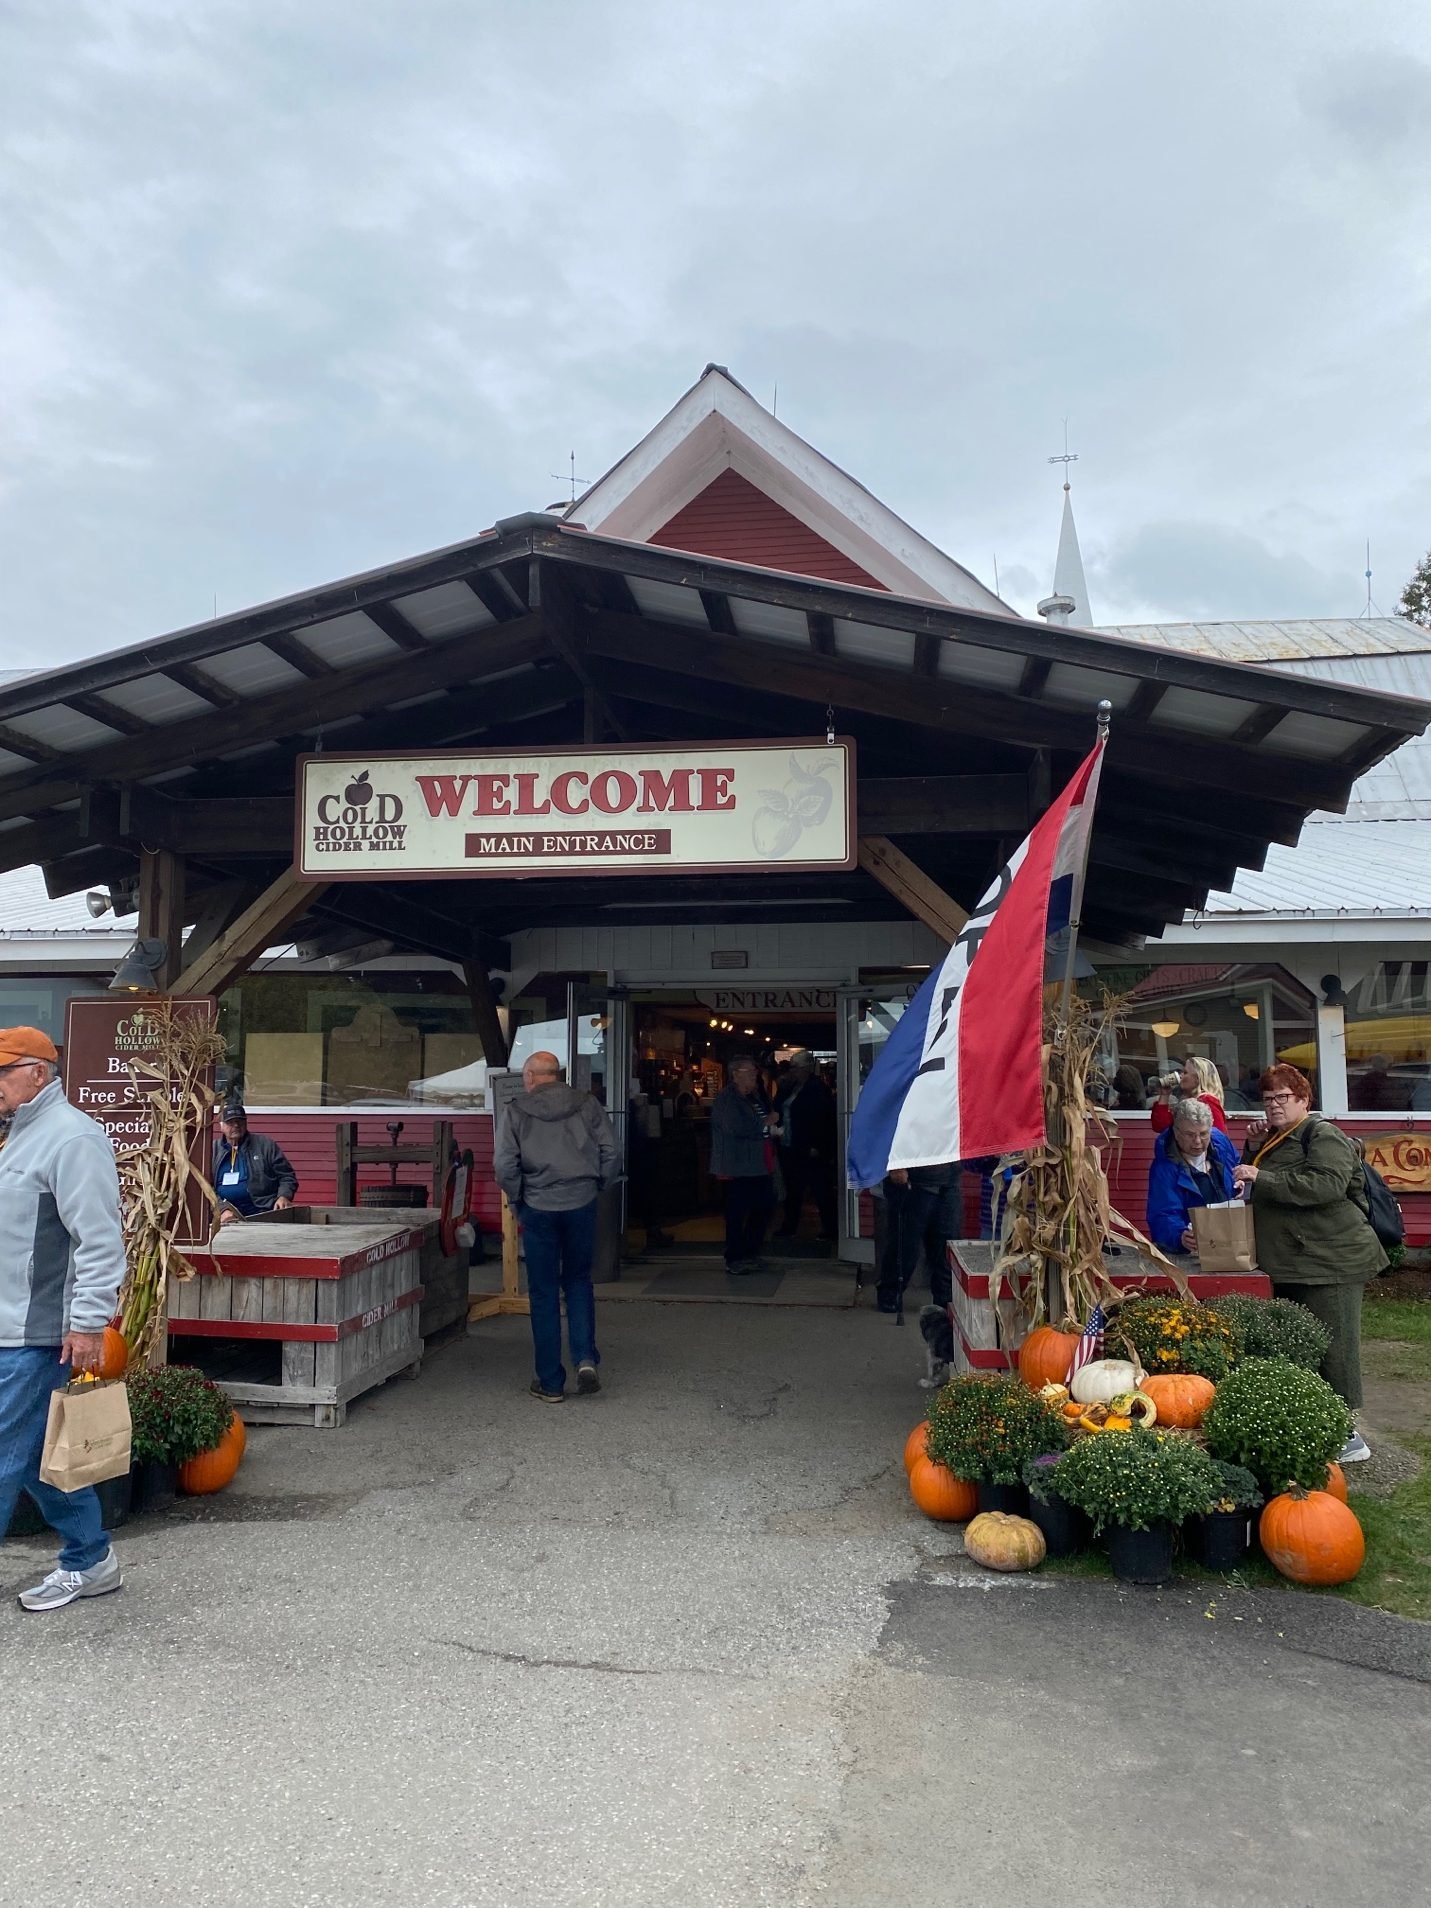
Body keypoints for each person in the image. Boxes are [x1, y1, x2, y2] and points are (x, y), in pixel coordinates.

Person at [0, 1027, 127, 1612]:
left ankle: (89, 1558)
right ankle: (91, 1558)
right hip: (9, 1326)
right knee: (31, 1457)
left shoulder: (72, 1138)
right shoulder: (18, 1135)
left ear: (39, 1073)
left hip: (36, 1333)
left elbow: (99, 1240)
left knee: (6, 1454)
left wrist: (87, 1323)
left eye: (3, 1072)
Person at [1232, 1063, 1386, 1462]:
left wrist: (1259, 1175)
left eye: (1282, 1098)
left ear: (1303, 1099)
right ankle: (1320, 1424)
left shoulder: (1323, 1135)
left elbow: (1325, 1185)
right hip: (1296, 1260)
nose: (1273, 1106)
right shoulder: (1280, 1138)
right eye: (1267, 1099)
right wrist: (1253, 1152)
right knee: (1305, 1346)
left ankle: (1348, 1436)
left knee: (1336, 1346)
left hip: (1331, 1260)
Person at [494, 1051, 618, 1403]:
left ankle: (550, 1382)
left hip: (538, 1206)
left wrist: (518, 1199)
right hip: (581, 1202)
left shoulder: (516, 1110)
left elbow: (504, 1165)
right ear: (559, 1075)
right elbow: (611, 1152)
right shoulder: (588, 1104)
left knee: (544, 1292)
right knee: (579, 1281)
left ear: (531, 1077)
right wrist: (595, 1186)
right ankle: (584, 1358)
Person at [710, 1056, 780, 1275]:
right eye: (748, 1071)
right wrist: (766, 1122)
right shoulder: (727, 1099)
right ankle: (735, 1256)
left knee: (764, 1207)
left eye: (754, 1071)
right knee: (737, 1213)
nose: (753, 1075)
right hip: (736, 1165)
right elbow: (734, 1127)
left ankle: (750, 1251)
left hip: (758, 1163)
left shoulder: (755, 1097)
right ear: (735, 1074)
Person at [1146, 1099, 1240, 1255]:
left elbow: (1237, 1167)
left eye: (1203, 1134)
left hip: (1232, 1241)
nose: (1197, 1142)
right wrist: (1180, 1236)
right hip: (1191, 1250)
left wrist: (1242, 1181)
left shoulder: (1221, 1143)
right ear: (1176, 1133)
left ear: (1210, 1130)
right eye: (1190, 1135)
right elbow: (1161, 1214)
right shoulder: (1164, 1168)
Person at [875, 1162, 959, 1314]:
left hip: (949, 1178)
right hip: (914, 1180)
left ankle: (944, 1299)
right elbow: (889, 1137)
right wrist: (896, 1165)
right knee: (905, 1244)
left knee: (947, 1245)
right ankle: (890, 1292)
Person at [774, 1049, 838, 1241]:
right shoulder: (790, 1088)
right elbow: (777, 1108)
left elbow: (822, 1120)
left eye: (796, 1067)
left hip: (809, 1147)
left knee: (820, 1188)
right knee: (792, 1188)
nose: (792, 1071)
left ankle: (830, 1228)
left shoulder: (817, 1089)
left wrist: (818, 1145)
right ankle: (790, 1225)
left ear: (806, 1069)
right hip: (790, 1144)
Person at [212, 1101, 298, 1223]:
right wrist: (222, 1209)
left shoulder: (265, 1145)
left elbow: (287, 1176)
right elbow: (205, 1187)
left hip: (263, 1209)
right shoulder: (212, 1150)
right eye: (230, 1122)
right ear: (221, 1126)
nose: (236, 1125)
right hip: (226, 1215)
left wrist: (284, 1196)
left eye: (240, 1121)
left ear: (246, 1123)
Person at [1150, 1054, 1227, 1134]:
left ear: (1198, 1078)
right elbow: (1161, 1127)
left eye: (1185, 1072)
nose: (1180, 1076)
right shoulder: (1187, 1100)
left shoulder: (1207, 1101)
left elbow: (1218, 1137)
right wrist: (1165, 1095)